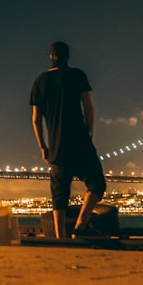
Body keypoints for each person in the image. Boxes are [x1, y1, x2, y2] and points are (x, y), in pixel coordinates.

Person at [30, 41, 108, 239]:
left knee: (59, 194)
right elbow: (88, 107)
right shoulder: (77, 75)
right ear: (68, 56)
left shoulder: (40, 81)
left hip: (56, 145)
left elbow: (36, 119)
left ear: (50, 57)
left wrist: (43, 146)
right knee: (97, 184)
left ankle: (59, 238)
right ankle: (81, 226)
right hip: (80, 141)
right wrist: (89, 132)